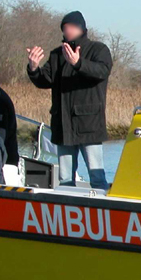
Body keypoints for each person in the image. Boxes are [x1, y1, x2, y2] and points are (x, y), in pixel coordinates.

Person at [26, 10, 112, 189]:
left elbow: (101, 72)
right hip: (63, 125)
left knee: (97, 177)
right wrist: (34, 68)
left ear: (82, 28)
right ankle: (67, 207)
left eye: (72, 27)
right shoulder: (57, 54)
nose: (69, 31)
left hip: (89, 125)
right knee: (65, 179)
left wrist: (78, 63)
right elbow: (45, 80)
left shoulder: (99, 49)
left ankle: (100, 209)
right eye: (65, 28)